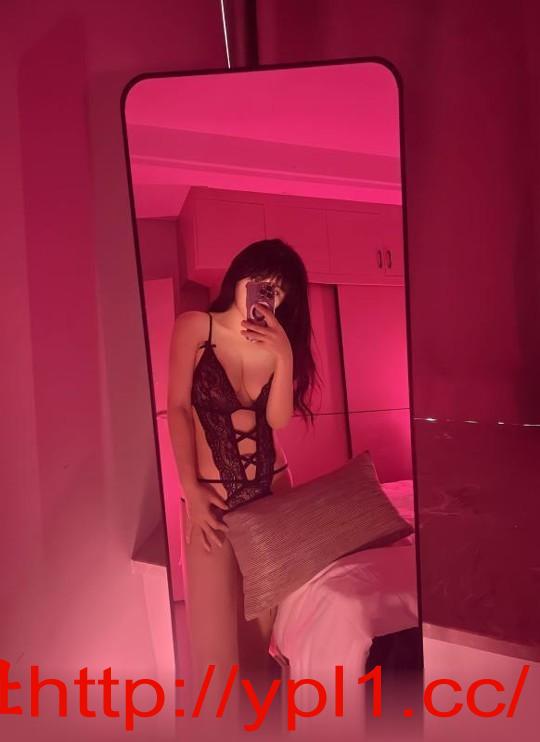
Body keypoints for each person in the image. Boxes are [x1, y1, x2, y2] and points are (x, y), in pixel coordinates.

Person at [167, 238, 320, 724]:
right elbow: (177, 408)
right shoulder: (196, 327)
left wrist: (284, 355)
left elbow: (277, 421)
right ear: (238, 277)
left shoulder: (276, 345)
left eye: (279, 290)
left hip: (273, 496)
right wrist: (190, 490)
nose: (267, 294)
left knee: (262, 640)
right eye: (261, 281)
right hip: (210, 498)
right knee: (213, 647)